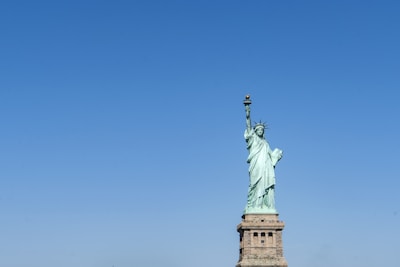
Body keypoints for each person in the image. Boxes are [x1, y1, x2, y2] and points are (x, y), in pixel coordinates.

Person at [244, 102, 283, 213]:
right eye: (258, 130)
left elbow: (271, 155)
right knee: (255, 185)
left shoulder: (266, 143)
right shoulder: (253, 139)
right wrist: (247, 111)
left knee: (265, 185)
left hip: (266, 167)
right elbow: (248, 125)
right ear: (255, 131)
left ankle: (264, 205)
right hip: (256, 166)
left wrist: (277, 155)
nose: (260, 131)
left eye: (262, 130)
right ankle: (254, 205)